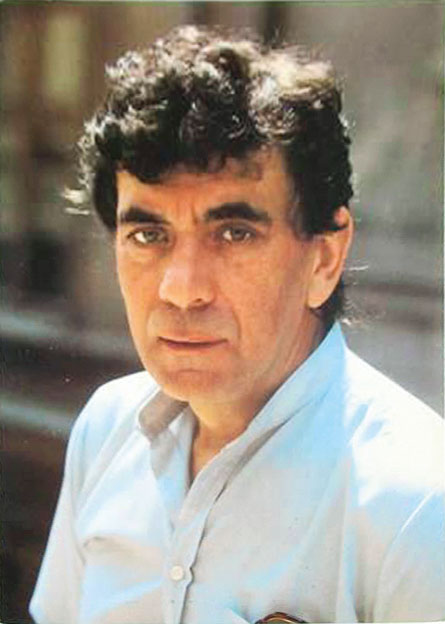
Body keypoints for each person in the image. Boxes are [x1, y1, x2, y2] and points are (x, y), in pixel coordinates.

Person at [30, 25, 444, 624]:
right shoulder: (106, 431)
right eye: (148, 235)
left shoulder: (418, 506)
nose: (181, 289)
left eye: (234, 233)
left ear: (324, 258)